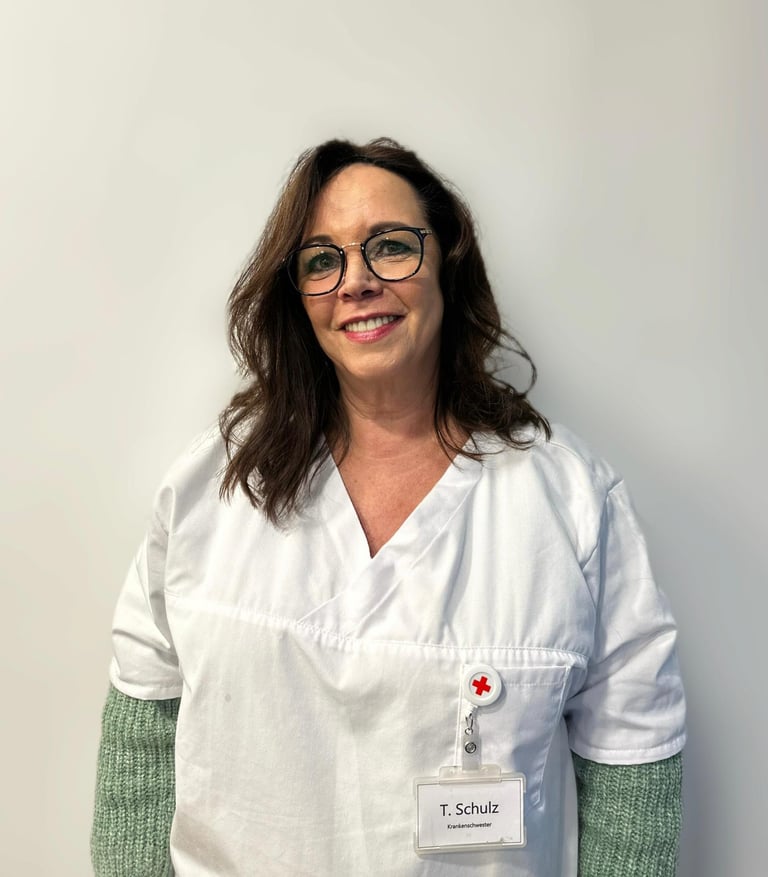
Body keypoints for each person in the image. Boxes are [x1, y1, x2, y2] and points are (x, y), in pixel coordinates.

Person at [91, 138, 686, 876]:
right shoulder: (212, 484)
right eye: (321, 260)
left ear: (448, 265)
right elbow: (142, 735)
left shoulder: (568, 502)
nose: (357, 282)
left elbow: (634, 761)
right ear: (297, 295)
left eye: (392, 247)